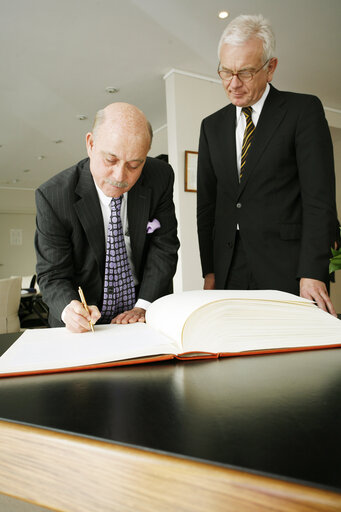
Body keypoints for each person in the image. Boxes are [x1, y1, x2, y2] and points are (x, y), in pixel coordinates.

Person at [197, 14, 338, 316]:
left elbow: (319, 200)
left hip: (288, 269)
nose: (233, 84)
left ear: (270, 68)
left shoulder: (303, 111)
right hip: (228, 269)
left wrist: (313, 270)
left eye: (245, 73)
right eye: (225, 72)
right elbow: (207, 207)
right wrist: (209, 270)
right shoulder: (211, 126)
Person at [35, 102, 179, 331]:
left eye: (134, 165)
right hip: (85, 323)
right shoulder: (53, 197)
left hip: (144, 314)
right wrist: (69, 309)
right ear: (91, 144)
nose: (120, 176)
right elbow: (53, 274)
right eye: (110, 160)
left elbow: (164, 247)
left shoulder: (160, 176)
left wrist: (143, 306)